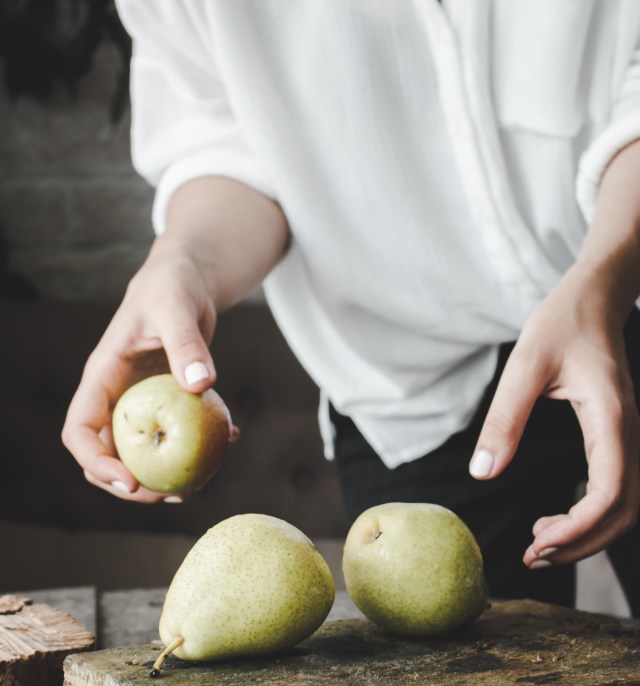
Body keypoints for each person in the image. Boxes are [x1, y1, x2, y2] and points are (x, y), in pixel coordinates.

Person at [62, 1, 640, 613]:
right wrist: (184, 260)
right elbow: (225, 148)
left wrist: (603, 276)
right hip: (405, 385)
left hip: (623, 298)